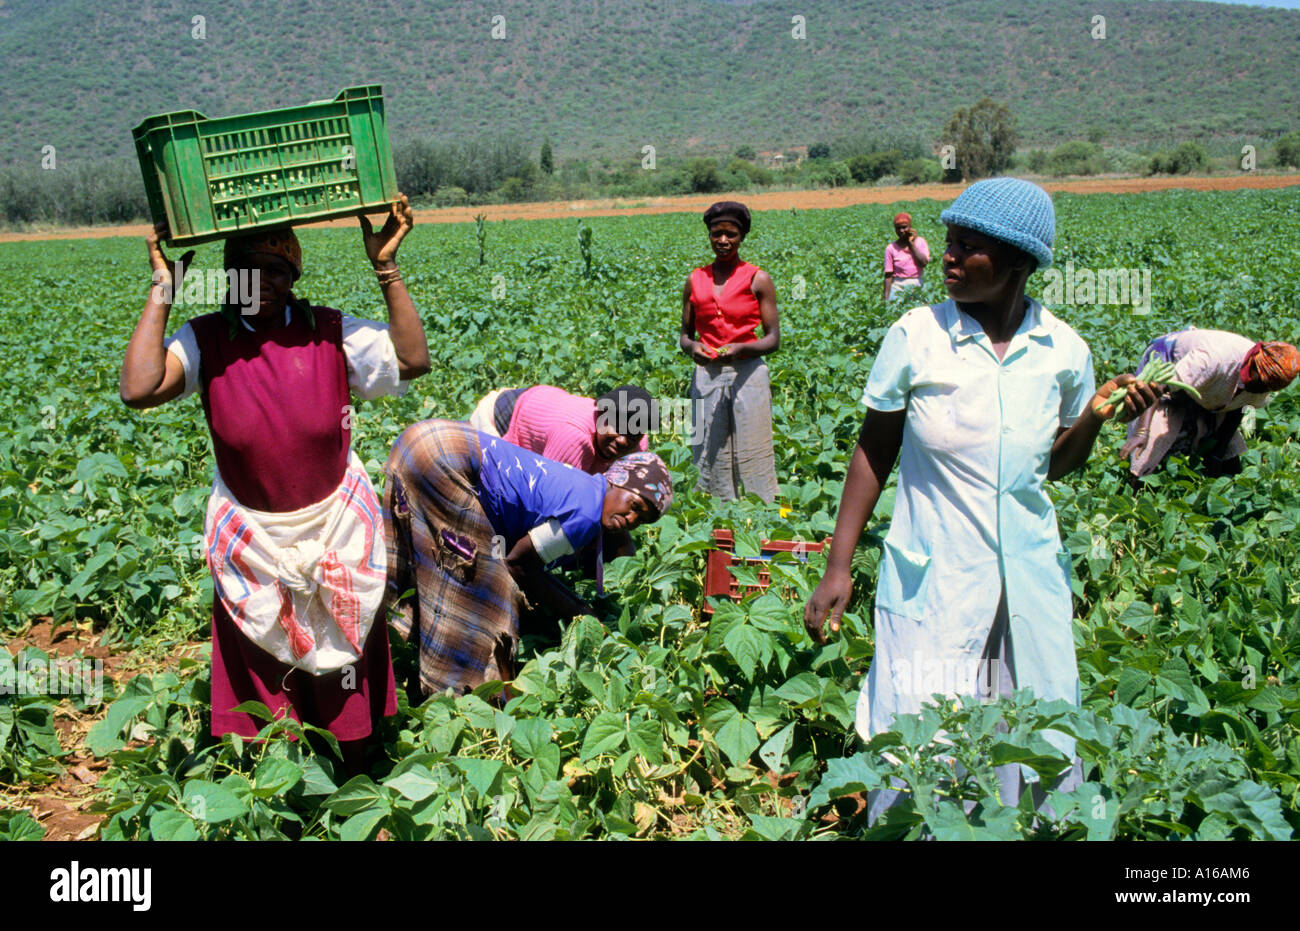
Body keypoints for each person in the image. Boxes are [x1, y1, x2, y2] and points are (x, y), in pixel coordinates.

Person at [802, 178, 1159, 822]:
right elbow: (873, 452)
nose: (949, 256)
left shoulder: (1064, 352)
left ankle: (1023, 831)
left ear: (1019, 263)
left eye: (970, 246)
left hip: (1026, 571)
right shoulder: (916, 336)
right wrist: (837, 566)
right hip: (933, 572)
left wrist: (1096, 421)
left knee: (1035, 722)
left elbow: (1054, 463)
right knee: (922, 726)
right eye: (949, 241)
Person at [119, 198, 431, 770]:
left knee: (342, 656)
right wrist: (163, 288)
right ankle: (276, 780)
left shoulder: (329, 332)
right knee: (265, 664)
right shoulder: (207, 339)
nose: (259, 283)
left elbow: (411, 359)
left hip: (333, 524)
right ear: (226, 276)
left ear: (293, 279)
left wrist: (386, 267)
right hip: (253, 537)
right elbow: (139, 389)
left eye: (275, 271)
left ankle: (355, 771)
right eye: (246, 270)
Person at [382, 420, 672, 698]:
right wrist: (579, 611)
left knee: (430, 558)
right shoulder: (586, 513)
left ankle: (394, 657)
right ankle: (479, 696)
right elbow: (518, 565)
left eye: (641, 519)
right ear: (616, 480)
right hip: (444, 457)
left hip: (423, 440)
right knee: (489, 592)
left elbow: (524, 558)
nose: (631, 518)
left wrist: (576, 605)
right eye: (634, 505)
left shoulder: (585, 488)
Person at [679, 201, 780, 503]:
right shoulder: (695, 280)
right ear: (709, 235)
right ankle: (713, 514)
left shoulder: (757, 279)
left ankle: (758, 513)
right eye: (716, 233)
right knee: (707, 448)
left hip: (748, 374)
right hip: (706, 374)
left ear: (742, 237)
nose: (723, 241)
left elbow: (773, 339)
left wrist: (741, 349)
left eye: (731, 234)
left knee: (752, 446)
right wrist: (693, 348)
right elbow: (685, 336)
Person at [1121, 330, 1299, 480]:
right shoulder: (1214, 360)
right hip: (1165, 365)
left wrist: (1217, 454)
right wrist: (1141, 432)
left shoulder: (1263, 382)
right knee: (1151, 449)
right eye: (1258, 381)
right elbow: (1154, 386)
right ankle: (1135, 489)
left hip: (1208, 387)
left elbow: (1236, 409)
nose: (1258, 388)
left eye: (1265, 387)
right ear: (1252, 361)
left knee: (1229, 457)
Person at [467, 383, 652, 473]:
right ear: (602, 414)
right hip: (499, 416)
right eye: (617, 426)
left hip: (544, 405)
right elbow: (547, 494)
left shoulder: (637, 446)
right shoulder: (573, 438)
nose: (622, 440)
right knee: (496, 482)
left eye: (632, 435)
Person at [883, 212, 930, 305]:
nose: (901, 231)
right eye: (898, 228)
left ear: (910, 227)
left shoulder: (920, 242)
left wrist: (911, 244)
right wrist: (886, 298)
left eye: (904, 227)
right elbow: (888, 275)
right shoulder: (891, 248)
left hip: (916, 284)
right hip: (898, 286)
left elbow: (923, 263)